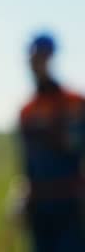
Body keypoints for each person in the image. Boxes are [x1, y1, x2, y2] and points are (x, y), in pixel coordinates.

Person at [17, 33, 85, 251]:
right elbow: (27, 162)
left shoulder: (74, 103)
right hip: (39, 205)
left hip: (71, 204)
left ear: (51, 58)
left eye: (42, 57)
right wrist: (22, 196)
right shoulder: (27, 110)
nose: (36, 63)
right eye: (33, 58)